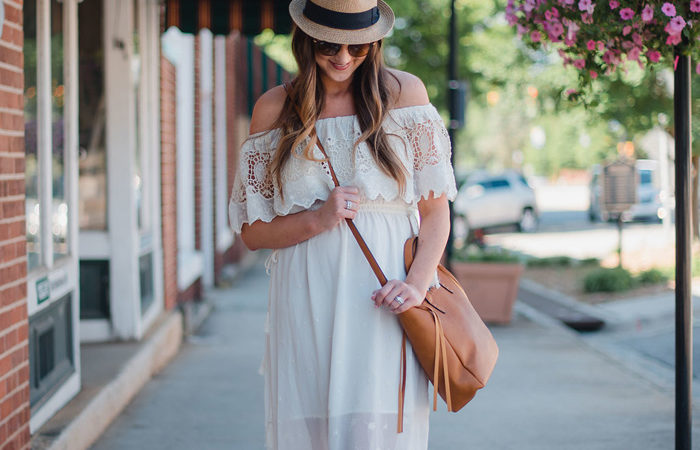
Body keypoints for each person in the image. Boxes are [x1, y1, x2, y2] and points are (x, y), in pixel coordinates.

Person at [228, 1, 457, 448]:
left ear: (374, 42)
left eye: (357, 46)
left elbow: (436, 213)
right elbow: (253, 232)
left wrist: (416, 283)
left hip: (386, 298)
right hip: (306, 298)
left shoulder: (406, 96)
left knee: (376, 434)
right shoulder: (274, 108)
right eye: (329, 45)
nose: (343, 58)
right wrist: (317, 218)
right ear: (306, 37)